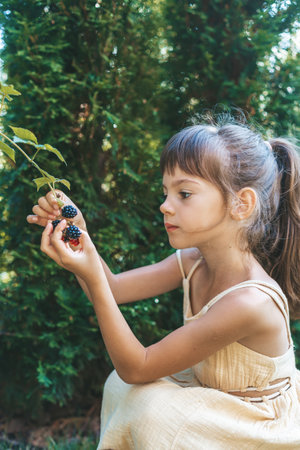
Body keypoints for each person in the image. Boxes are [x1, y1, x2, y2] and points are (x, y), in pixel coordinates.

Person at [27, 119, 300, 449]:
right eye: (166, 192)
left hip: (257, 426)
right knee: (121, 388)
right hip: (216, 401)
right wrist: (79, 235)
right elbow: (113, 288)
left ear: (240, 204)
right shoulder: (193, 260)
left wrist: (93, 276)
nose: (165, 205)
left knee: (152, 411)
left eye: (184, 194)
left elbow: (137, 366)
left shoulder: (250, 302)